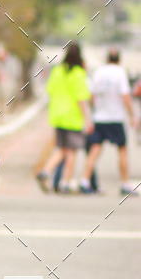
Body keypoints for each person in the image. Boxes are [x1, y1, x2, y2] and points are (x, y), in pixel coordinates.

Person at [79, 49, 139, 196]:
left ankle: (84, 181)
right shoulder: (120, 72)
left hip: (100, 118)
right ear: (119, 59)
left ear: (107, 59)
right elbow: (125, 96)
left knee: (95, 150)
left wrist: (94, 110)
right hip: (116, 118)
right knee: (122, 150)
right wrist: (132, 115)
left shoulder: (99, 72)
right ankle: (124, 183)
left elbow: (91, 95)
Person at [35, 43, 92, 194]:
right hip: (73, 117)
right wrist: (87, 119)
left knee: (61, 148)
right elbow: (81, 98)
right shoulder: (79, 73)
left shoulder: (57, 71)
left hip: (57, 116)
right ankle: (65, 183)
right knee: (71, 151)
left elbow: (50, 90)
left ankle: (46, 171)